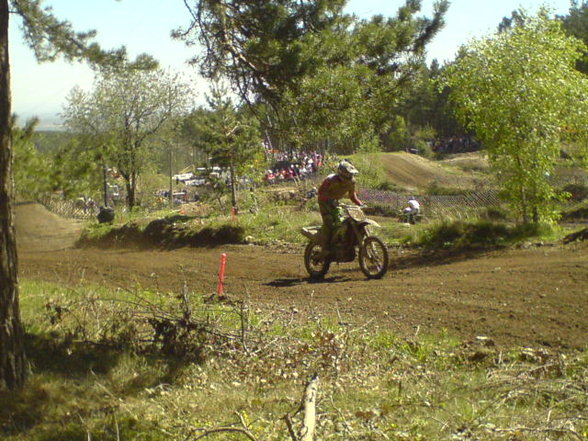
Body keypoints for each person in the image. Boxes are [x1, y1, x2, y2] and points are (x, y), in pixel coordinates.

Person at [317, 160, 363, 254]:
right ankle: (325, 247)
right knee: (329, 221)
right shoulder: (330, 180)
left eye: (351, 174)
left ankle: (342, 241)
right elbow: (320, 192)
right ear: (342, 173)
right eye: (348, 174)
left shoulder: (352, 182)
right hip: (324, 202)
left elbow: (352, 196)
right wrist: (328, 200)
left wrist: (360, 204)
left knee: (343, 221)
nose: (350, 176)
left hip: (335, 202)